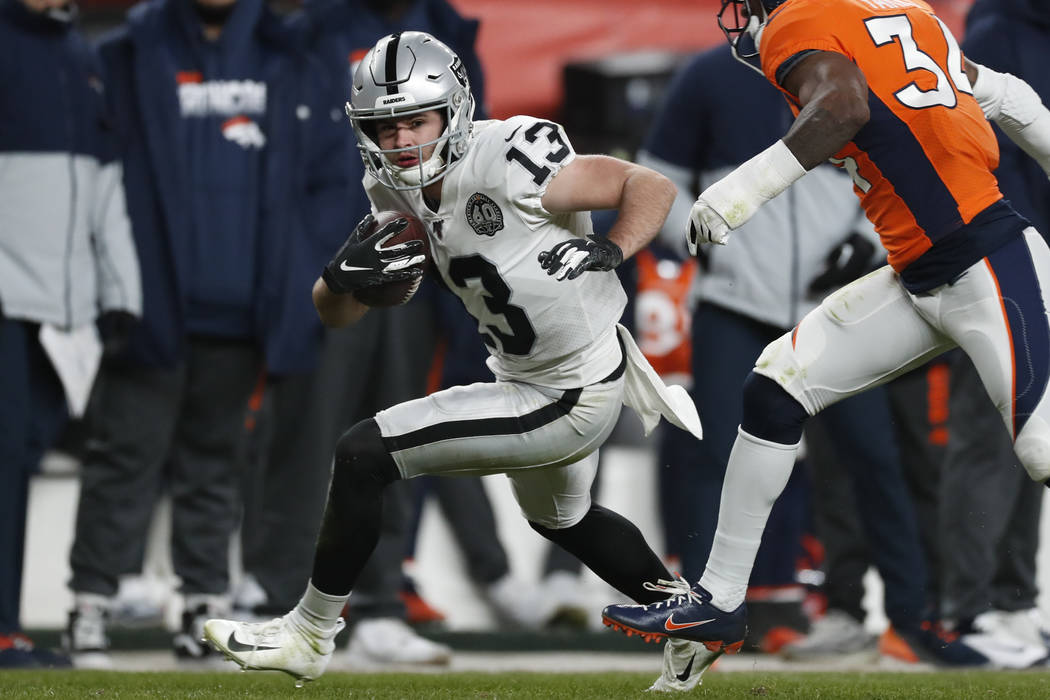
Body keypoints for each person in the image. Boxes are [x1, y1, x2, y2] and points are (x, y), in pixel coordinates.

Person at [202, 30, 708, 692]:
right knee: (565, 519)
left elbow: (649, 185)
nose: (404, 140)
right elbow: (343, 311)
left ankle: (308, 633)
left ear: (455, 110)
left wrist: (613, 245)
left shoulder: (509, 155)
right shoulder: (394, 188)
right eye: (387, 127)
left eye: (417, 120)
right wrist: (338, 278)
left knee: (363, 454)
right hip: (531, 375)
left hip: (566, 390)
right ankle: (690, 625)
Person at [603, 0, 1050, 679]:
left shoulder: (799, 23)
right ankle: (718, 602)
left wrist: (742, 191)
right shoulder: (906, 14)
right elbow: (1008, 96)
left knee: (1042, 450)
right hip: (919, 275)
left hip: (989, 264)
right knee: (777, 388)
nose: (745, 14)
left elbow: (843, 110)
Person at [62, 0, 335, 667]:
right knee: (125, 458)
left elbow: (325, 185)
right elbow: (95, 180)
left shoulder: (290, 56)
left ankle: (203, 607)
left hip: (245, 310)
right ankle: (89, 607)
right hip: (148, 308)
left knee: (216, 467)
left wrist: (296, 285)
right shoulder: (125, 53)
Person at [234, 0, 485, 666]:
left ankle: (379, 602)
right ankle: (275, 595)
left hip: (418, 265)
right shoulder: (305, 30)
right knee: (305, 436)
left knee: (397, 440)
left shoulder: (448, 31)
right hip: (320, 256)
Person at [0, 0, 142, 668]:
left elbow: (106, 185)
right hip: (6, 301)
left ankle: (10, 629)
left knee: (21, 460)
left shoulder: (82, 54)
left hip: (61, 314)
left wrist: (121, 292)